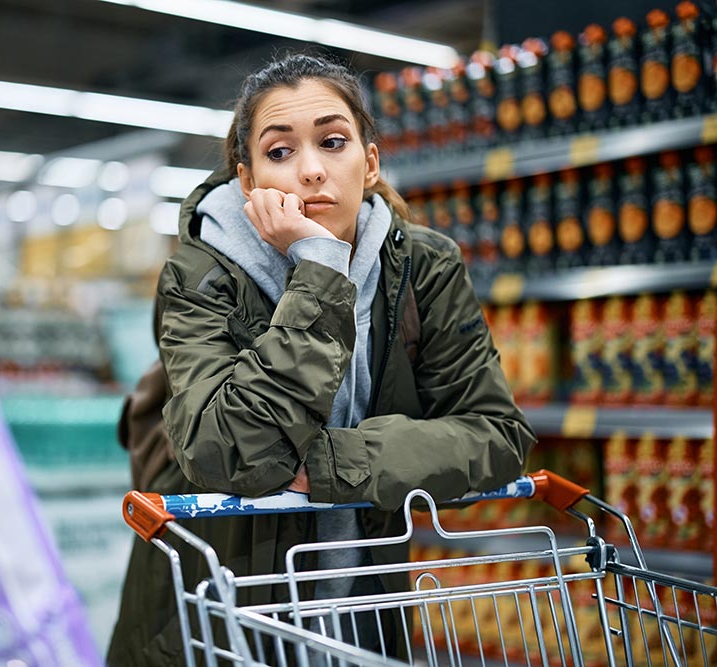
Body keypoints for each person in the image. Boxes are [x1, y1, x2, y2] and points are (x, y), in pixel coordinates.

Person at [107, 53, 536, 667]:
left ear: (370, 162)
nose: (311, 170)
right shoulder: (200, 273)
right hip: (214, 610)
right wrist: (319, 272)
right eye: (279, 152)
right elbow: (225, 450)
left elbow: (496, 434)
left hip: (361, 606)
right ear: (248, 180)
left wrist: (337, 466)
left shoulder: (424, 266)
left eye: (333, 142)